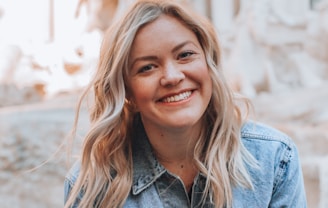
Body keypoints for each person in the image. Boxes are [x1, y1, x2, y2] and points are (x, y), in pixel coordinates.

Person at [64, 0, 307, 207]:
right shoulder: (91, 187)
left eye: (185, 55)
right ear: (127, 92)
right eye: (147, 67)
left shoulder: (274, 158)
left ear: (208, 65)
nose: (172, 76)